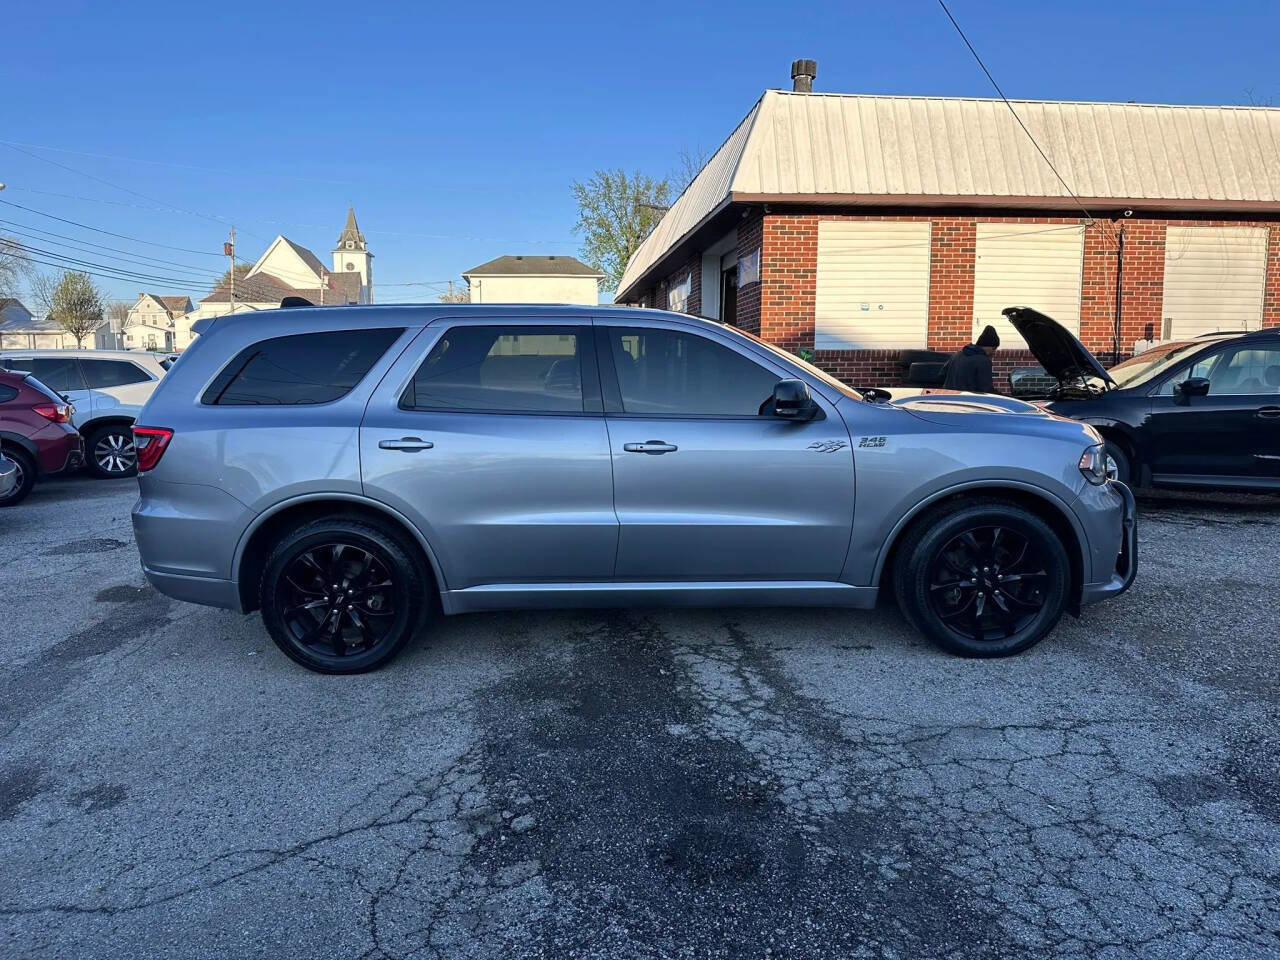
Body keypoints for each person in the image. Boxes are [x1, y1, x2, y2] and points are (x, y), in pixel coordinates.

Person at [942, 325, 1000, 393]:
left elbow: (942, 375)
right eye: (994, 348)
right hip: (969, 398)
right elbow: (986, 389)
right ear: (987, 346)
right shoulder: (983, 361)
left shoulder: (956, 355)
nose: (994, 352)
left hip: (949, 396)